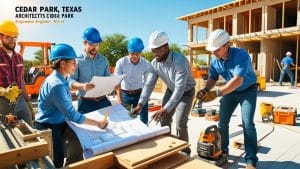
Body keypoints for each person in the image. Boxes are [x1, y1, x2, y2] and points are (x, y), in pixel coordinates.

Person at [35, 44, 108, 168]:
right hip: (48, 126)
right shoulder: (56, 84)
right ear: (63, 63)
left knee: (79, 138)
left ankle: (73, 165)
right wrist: (98, 123)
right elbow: (73, 115)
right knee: (56, 161)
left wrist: (83, 86)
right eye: (73, 62)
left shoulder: (62, 78)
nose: (76, 64)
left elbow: (70, 83)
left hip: (60, 122)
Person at [196, 29, 258, 169]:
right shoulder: (215, 59)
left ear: (227, 45)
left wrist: (217, 93)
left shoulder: (241, 55)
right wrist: (206, 90)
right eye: (212, 50)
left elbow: (238, 81)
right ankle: (223, 151)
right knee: (222, 122)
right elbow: (213, 77)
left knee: (247, 123)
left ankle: (251, 161)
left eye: (216, 49)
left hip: (248, 90)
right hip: (230, 90)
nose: (214, 53)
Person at [132, 31, 195, 155]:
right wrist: (140, 104)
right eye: (153, 50)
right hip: (171, 90)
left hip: (186, 92)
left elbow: (180, 88)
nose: (155, 54)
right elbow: (149, 85)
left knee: (180, 123)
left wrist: (165, 108)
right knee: (164, 120)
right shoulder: (155, 63)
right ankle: (169, 148)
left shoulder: (180, 61)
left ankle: (185, 150)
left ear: (166, 47)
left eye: (158, 50)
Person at [70, 27, 111, 114]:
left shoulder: (104, 60)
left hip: (103, 101)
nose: (95, 47)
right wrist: (82, 86)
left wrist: (112, 85)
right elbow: (70, 81)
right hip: (85, 104)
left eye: (97, 44)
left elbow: (108, 79)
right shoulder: (77, 60)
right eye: (92, 44)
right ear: (84, 43)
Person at [0, 19, 32, 125]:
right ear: (1, 37)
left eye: (14, 37)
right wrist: (3, 91)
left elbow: (21, 80)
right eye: (8, 37)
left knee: (29, 128)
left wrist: (27, 101)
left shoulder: (19, 57)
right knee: (10, 133)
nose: (12, 40)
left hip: (20, 100)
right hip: (2, 102)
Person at [114, 37, 151, 124]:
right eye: (132, 53)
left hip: (140, 95)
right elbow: (117, 82)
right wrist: (120, 100)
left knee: (143, 121)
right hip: (125, 95)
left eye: (137, 54)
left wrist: (143, 100)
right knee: (125, 121)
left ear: (141, 52)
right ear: (128, 51)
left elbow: (147, 84)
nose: (134, 56)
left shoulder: (146, 64)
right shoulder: (121, 63)